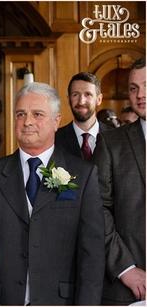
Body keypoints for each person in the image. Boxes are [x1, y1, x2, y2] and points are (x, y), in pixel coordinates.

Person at [0, 82, 105, 305]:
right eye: (21, 114)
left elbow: (92, 257)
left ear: (57, 121)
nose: (27, 121)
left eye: (37, 114)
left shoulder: (83, 175)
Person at [93, 58, 146, 305]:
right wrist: (125, 268)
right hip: (128, 285)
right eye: (134, 88)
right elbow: (97, 209)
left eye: (146, 85)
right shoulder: (111, 143)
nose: (140, 95)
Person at [55, 72, 113, 161]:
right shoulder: (55, 139)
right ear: (68, 99)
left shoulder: (115, 137)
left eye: (88, 94)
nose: (81, 101)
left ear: (99, 99)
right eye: (75, 94)